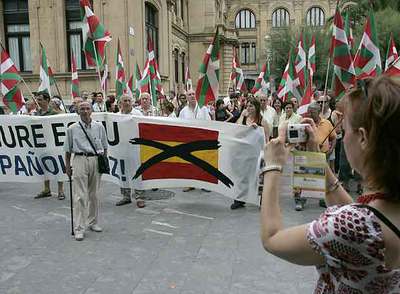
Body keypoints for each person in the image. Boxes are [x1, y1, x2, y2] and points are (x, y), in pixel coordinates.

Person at [260, 75, 400, 293]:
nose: (342, 137)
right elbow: (360, 212)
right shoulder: (376, 214)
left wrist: (272, 166)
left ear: (363, 137)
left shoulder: (354, 226)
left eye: (345, 128)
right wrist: (317, 158)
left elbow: (272, 239)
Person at [64, 101, 108, 241]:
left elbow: (105, 146)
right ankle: (79, 228)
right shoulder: (72, 129)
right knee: (80, 196)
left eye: (87, 108)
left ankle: (93, 222)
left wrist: (103, 162)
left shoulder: (99, 127)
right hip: (79, 160)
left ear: (91, 110)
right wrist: (67, 166)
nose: (85, 111)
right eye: (81, 109)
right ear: (77, 112)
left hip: (95, 160)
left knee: (94, 194)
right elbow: (67, 149)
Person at [231, 96, 269, 210]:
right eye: (247, 106)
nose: (248, 108)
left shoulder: (262, 121)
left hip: (257, 154)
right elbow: (237, 132)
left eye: (251, 106)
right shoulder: (243, 118)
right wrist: (242, 116)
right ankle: (240, 199)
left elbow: (267, 138)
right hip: (243, 153)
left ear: (256, 107)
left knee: (258, 176)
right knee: (242, 177)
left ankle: (261, 199)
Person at [33, 91, 66, 200]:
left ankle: (60, 190)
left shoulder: (54, 114)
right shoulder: (36, 113)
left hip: (53, 144)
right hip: (41, 144)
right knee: (43, 165)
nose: (38, 102)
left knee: (58, 165)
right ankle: (46, 189)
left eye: (40, 99)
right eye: (37, 99)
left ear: (47, 100)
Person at [116, 94, 145, 208]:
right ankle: (126, 196)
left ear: (132, 102)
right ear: (120, 103)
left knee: (137, 172)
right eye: (124, 101)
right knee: (123, 172)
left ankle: (139, 197)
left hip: (135, 149)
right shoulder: (115, 116)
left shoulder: (138, 114)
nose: (127, 103)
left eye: (129, 100)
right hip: (121, 149)